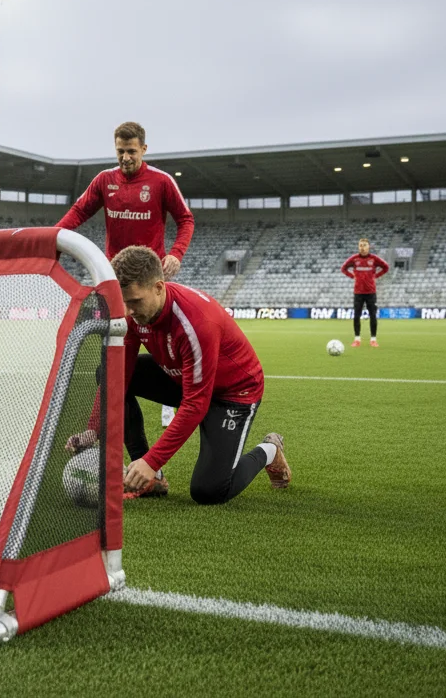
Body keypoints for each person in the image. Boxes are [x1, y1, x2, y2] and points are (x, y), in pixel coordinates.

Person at [67, 246, 291, 503]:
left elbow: (196, 404)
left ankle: (270, 450)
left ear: (159, 287)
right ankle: (153, 479)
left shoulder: (196, 323)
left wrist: (152, 460)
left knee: (210, 491)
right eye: (123, 301)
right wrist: (93, 429)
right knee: (107, 372)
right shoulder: (133, 316)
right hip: (184, 377)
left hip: (233, 393)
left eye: (135, 301)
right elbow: (118, 377)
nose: (128, 311)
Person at [57, 121, 196, 429]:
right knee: (118, 349)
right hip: (114, 281)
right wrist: (53, 237)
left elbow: (185, 219)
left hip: (150, 281)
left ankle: (170, 401)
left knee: (163, 343)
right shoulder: (105, 180)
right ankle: (99, 423)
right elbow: (79, 212)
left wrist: (176, 253)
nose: (125, 157)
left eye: (131, 151)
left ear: (143, 149)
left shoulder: (160, 181)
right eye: (120, 151)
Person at [341, 238, 389, 347]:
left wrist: (375, 276)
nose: (362, 247)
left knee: (373, 316)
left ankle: (373, 339)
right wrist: (352, 276)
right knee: (356, 316)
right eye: (360, 245)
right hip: (358, 292)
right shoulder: (354, 259)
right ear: (358, 247)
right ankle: (357, 339)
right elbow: (343, 268)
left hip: (371, 292)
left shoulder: (374, 259)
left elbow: (386, 267)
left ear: (369, 247)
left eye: (364, 245)